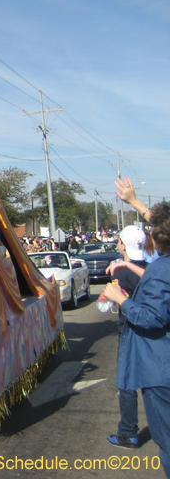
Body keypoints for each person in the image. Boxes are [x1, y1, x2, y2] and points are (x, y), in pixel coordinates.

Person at [102, 202, 170, 477]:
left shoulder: (159, 270)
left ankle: (128, 432)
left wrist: (121, 300)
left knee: (165, 439)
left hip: (157, 366)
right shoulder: (155, 267)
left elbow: (152, 317)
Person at [105, 226, 149, 449]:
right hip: (153, 332)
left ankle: (128, 432)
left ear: (122, 244)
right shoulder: (152, 268)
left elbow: (108, 304)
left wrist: (106, 297)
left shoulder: (119, 272)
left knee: (127, 383)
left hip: (129, 331)